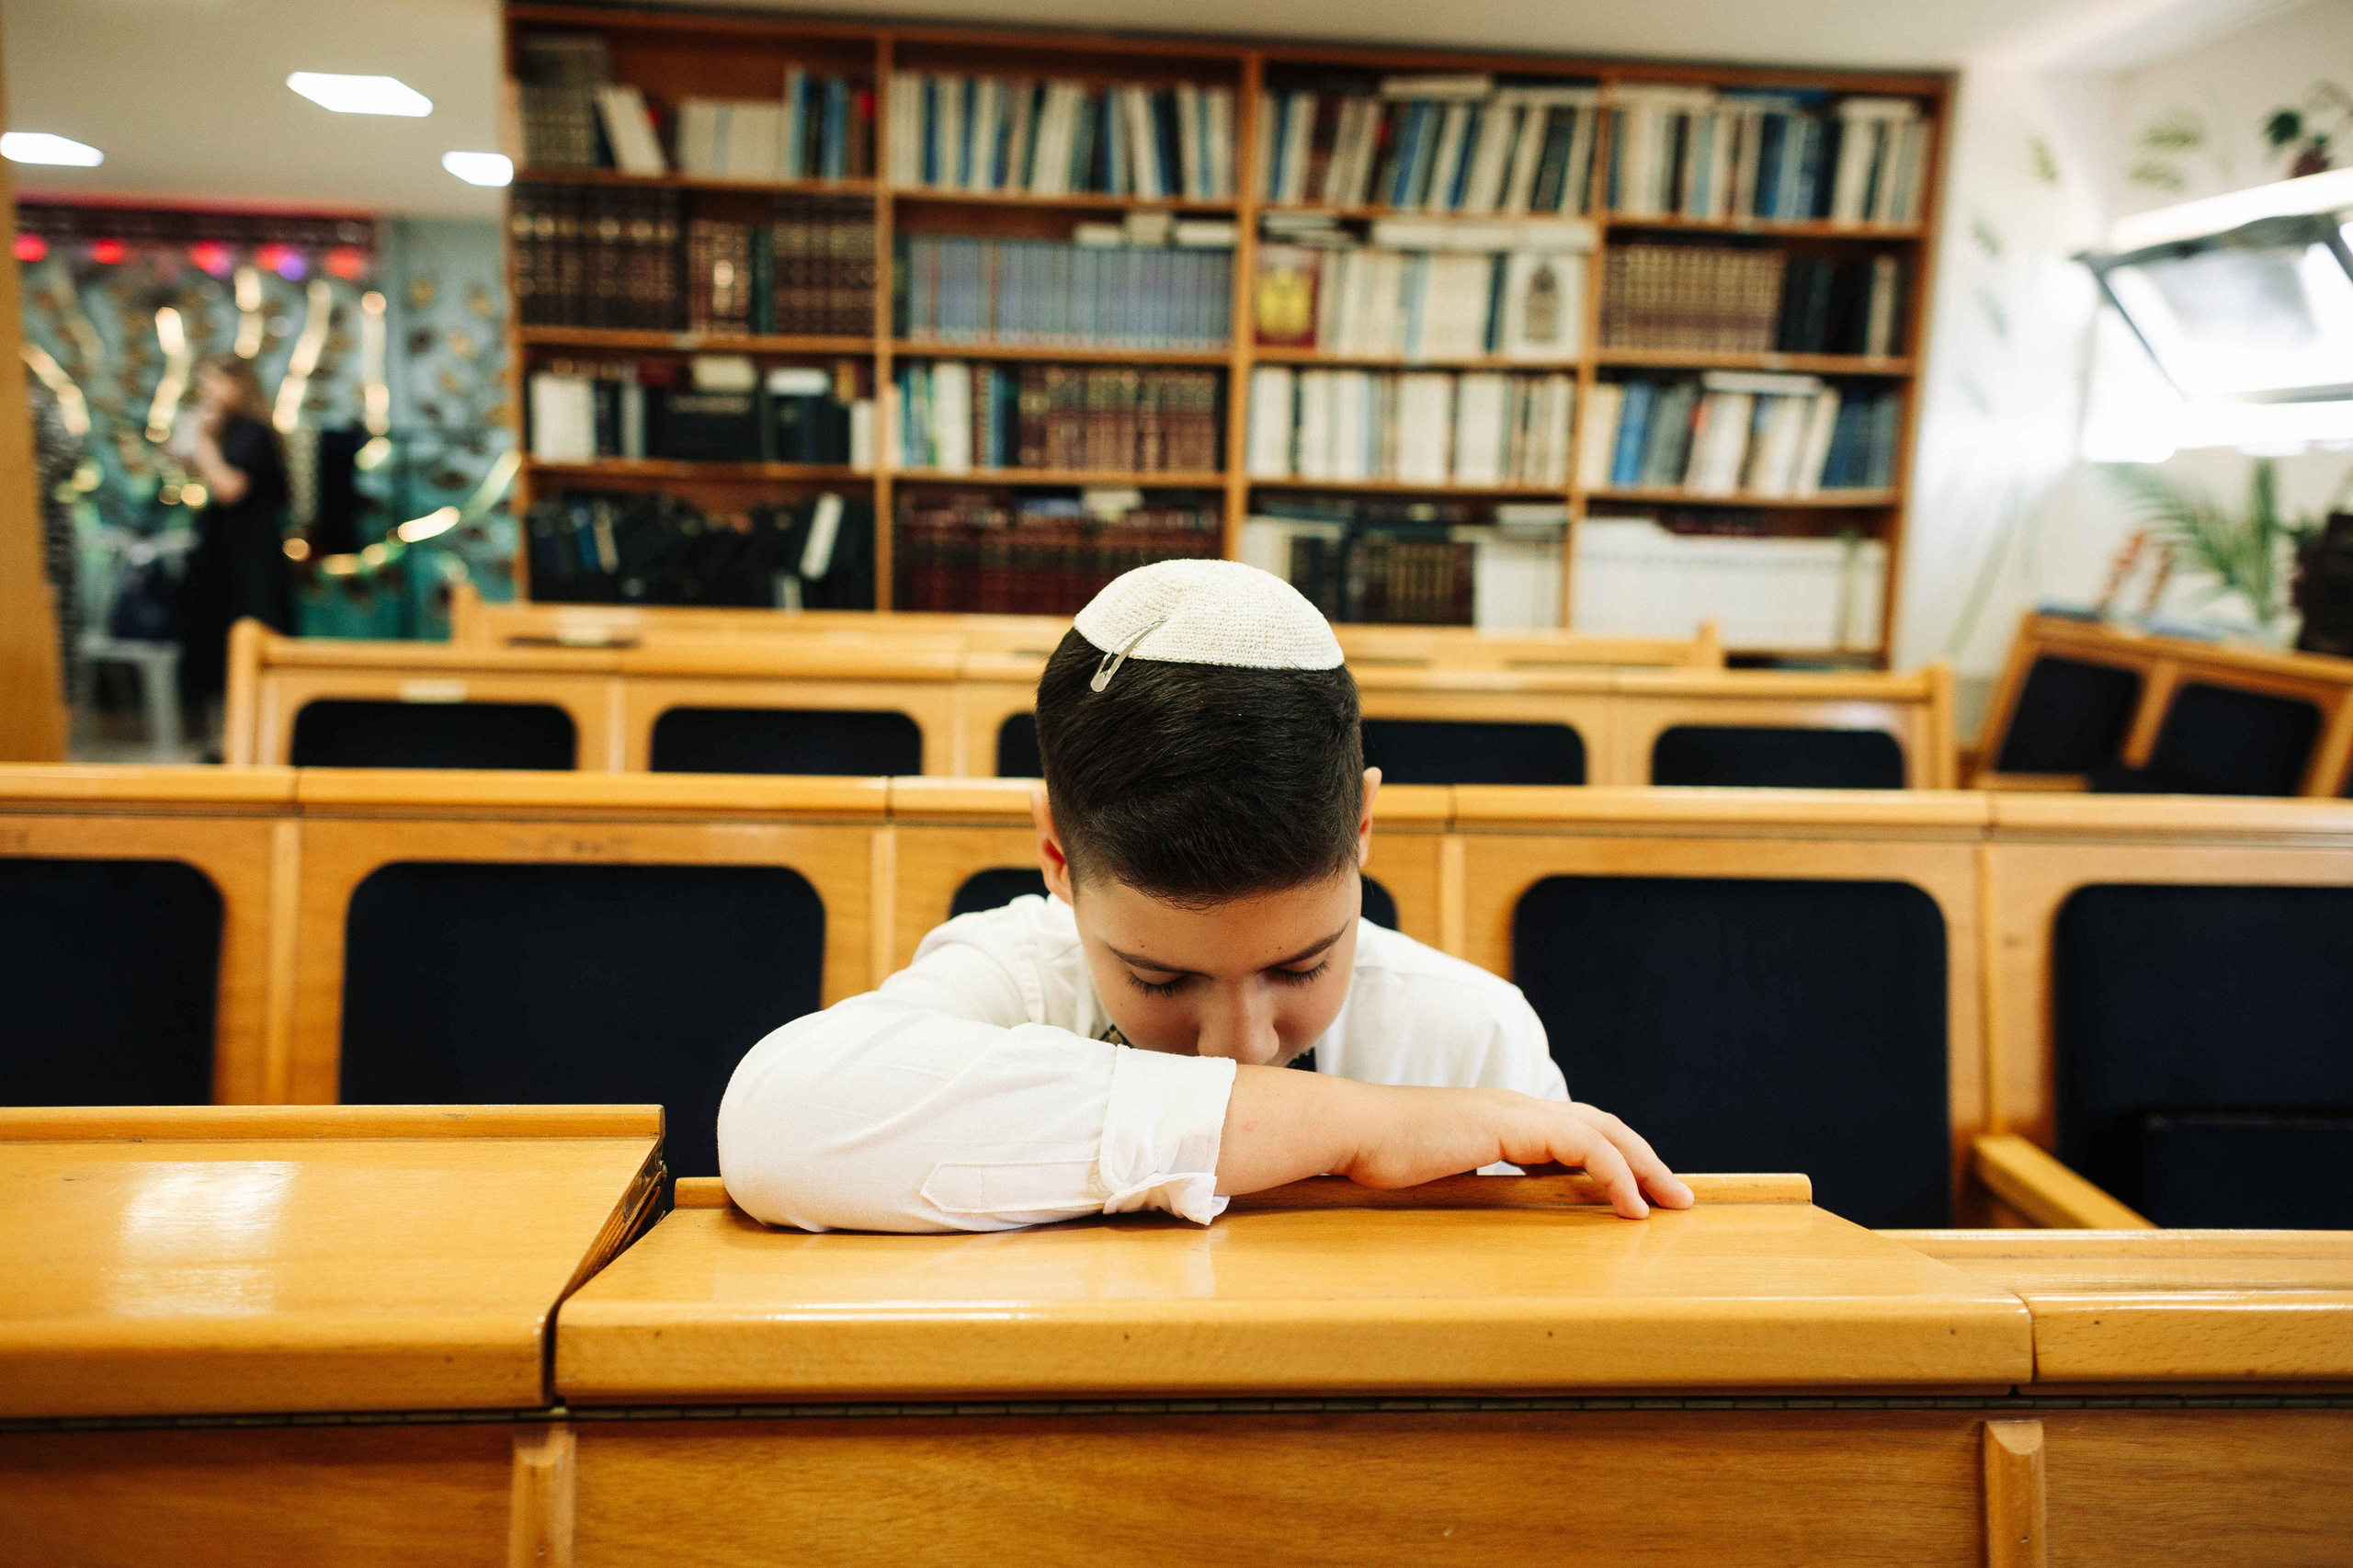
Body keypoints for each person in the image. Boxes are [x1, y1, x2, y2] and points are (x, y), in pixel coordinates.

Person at [719, 559, 1691, 1233]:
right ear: (1055, 856)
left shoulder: (1470, 1035)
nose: (1240, 1045)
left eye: (1300, 966)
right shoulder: (1015, 977)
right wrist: (1355, 1124)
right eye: (1160, 977)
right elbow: (777, 1126)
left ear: (1361, 828)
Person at [176, 354, 293, 722]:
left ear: (238, 385)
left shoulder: (251, 432)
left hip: (249, 557)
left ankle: (255, 730)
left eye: (214, 381)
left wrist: (202, 442)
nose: (207, 391)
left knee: (250, 636)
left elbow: (229, 488)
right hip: (223, 555)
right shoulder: (225, 430)